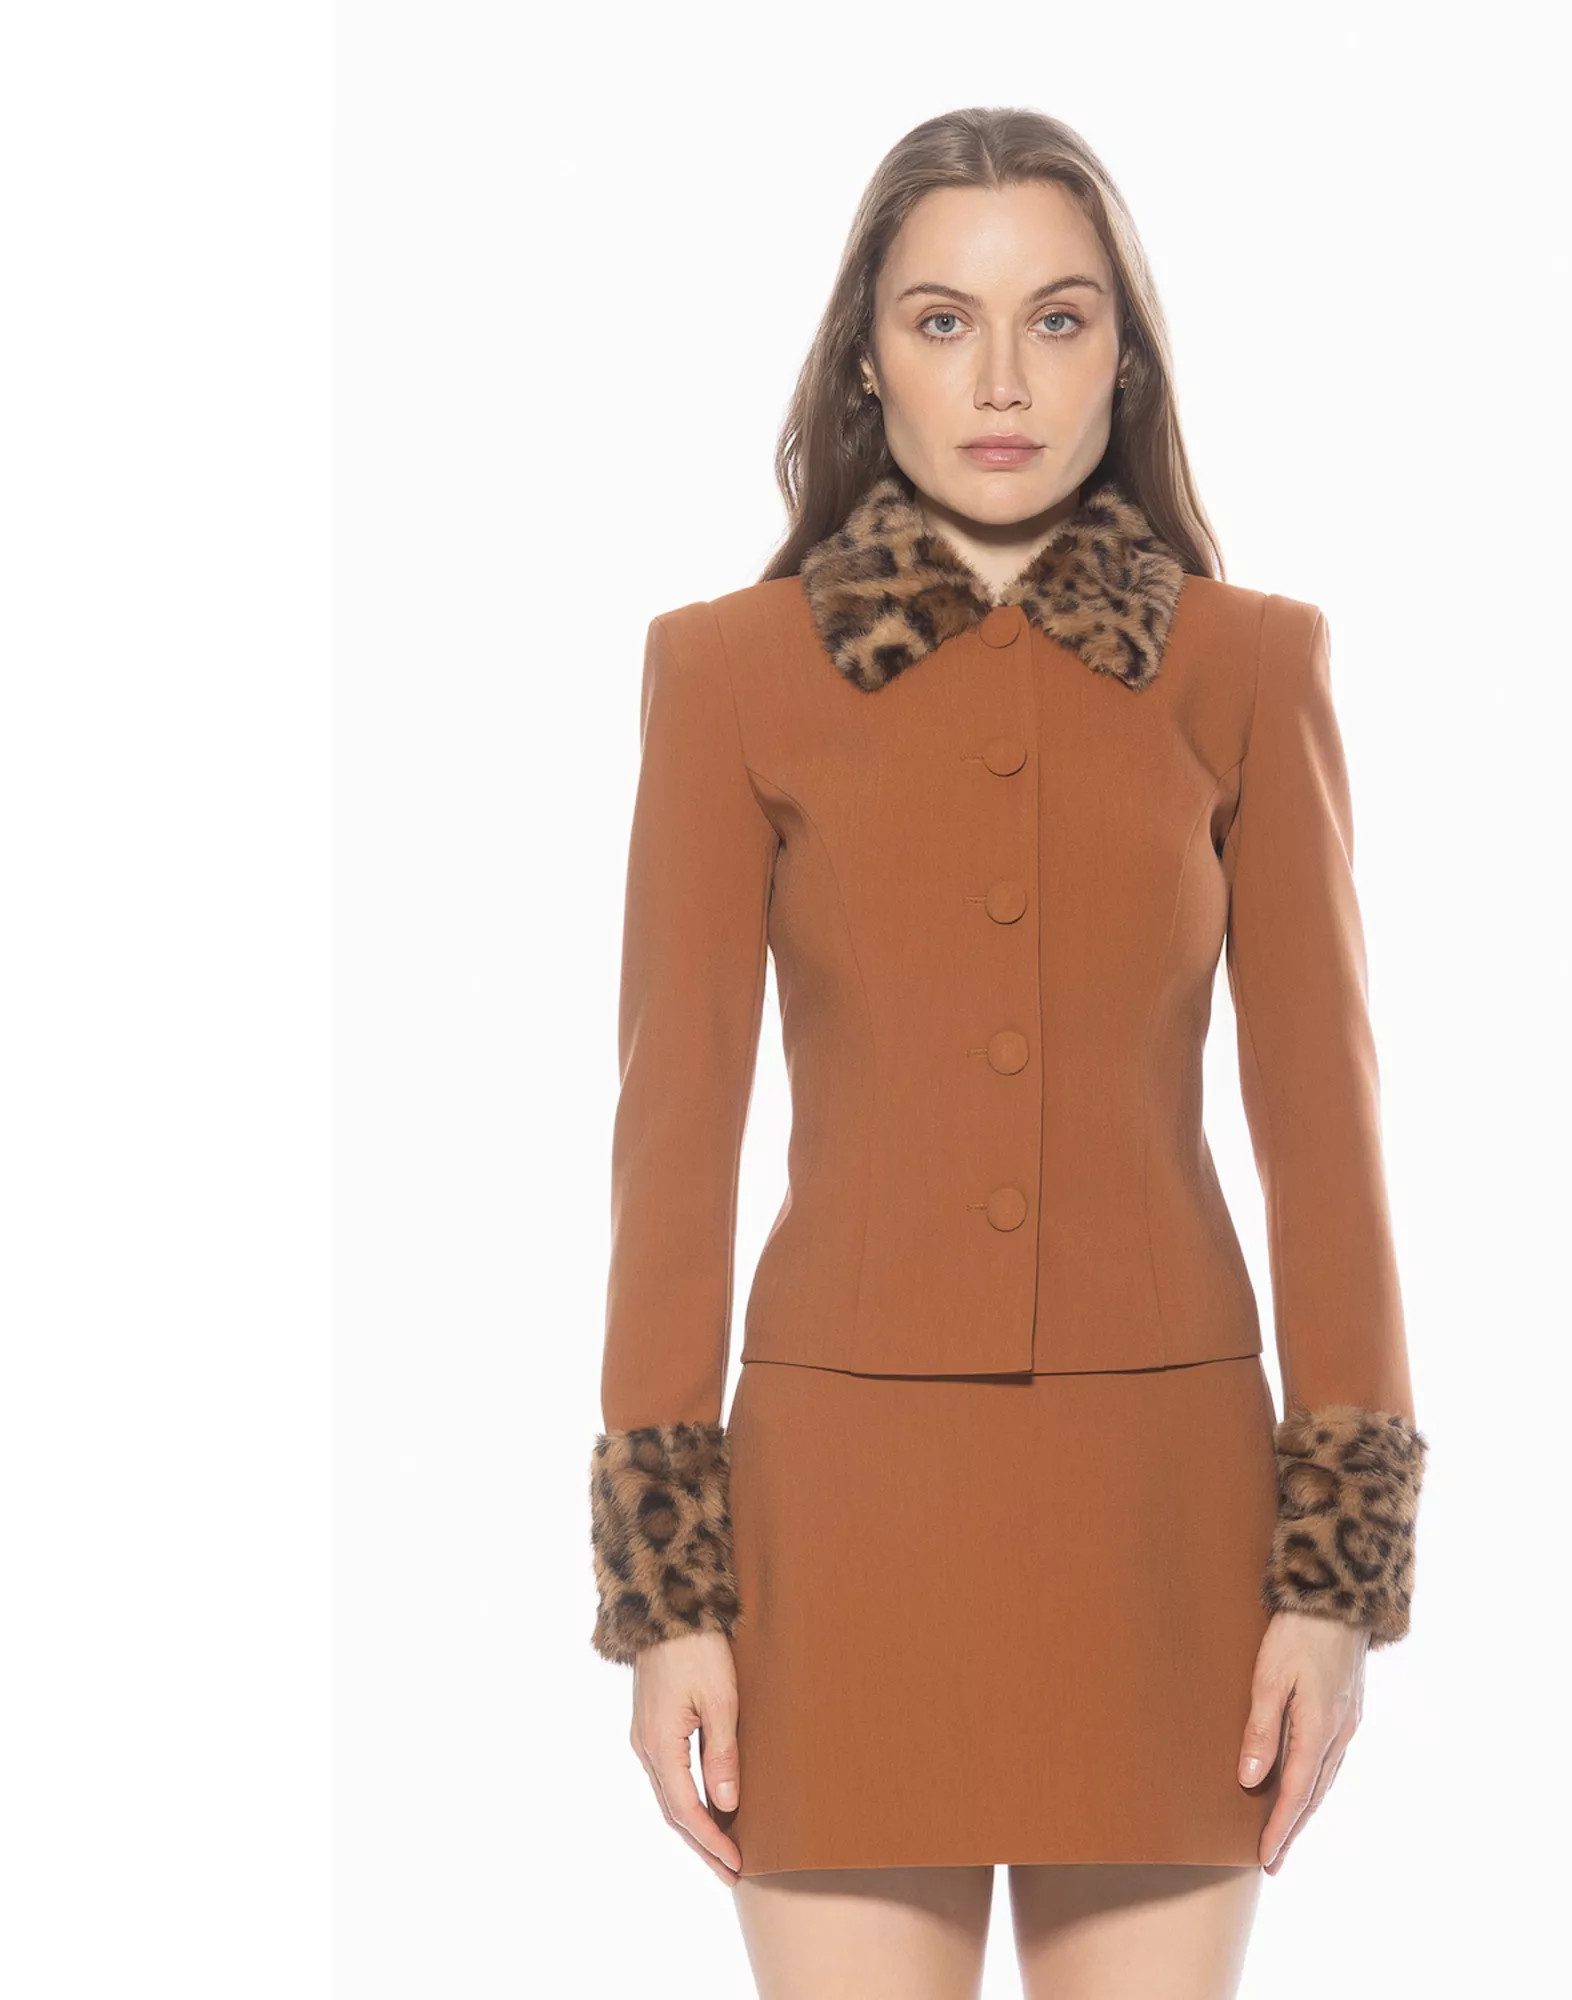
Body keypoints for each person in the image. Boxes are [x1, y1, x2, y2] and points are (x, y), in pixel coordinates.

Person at [586, 105, 1429, 2000]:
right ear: (863, 359)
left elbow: (1328, 1135)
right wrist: (669, 1594)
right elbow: (673, 1146)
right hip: (837, 1523)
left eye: (1056, 319)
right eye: (941, 321)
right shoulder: (729, 673)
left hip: (1162, 1522)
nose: (1001, 380)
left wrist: (1333, 1577)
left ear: (1122, 358)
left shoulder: (1247, 665)